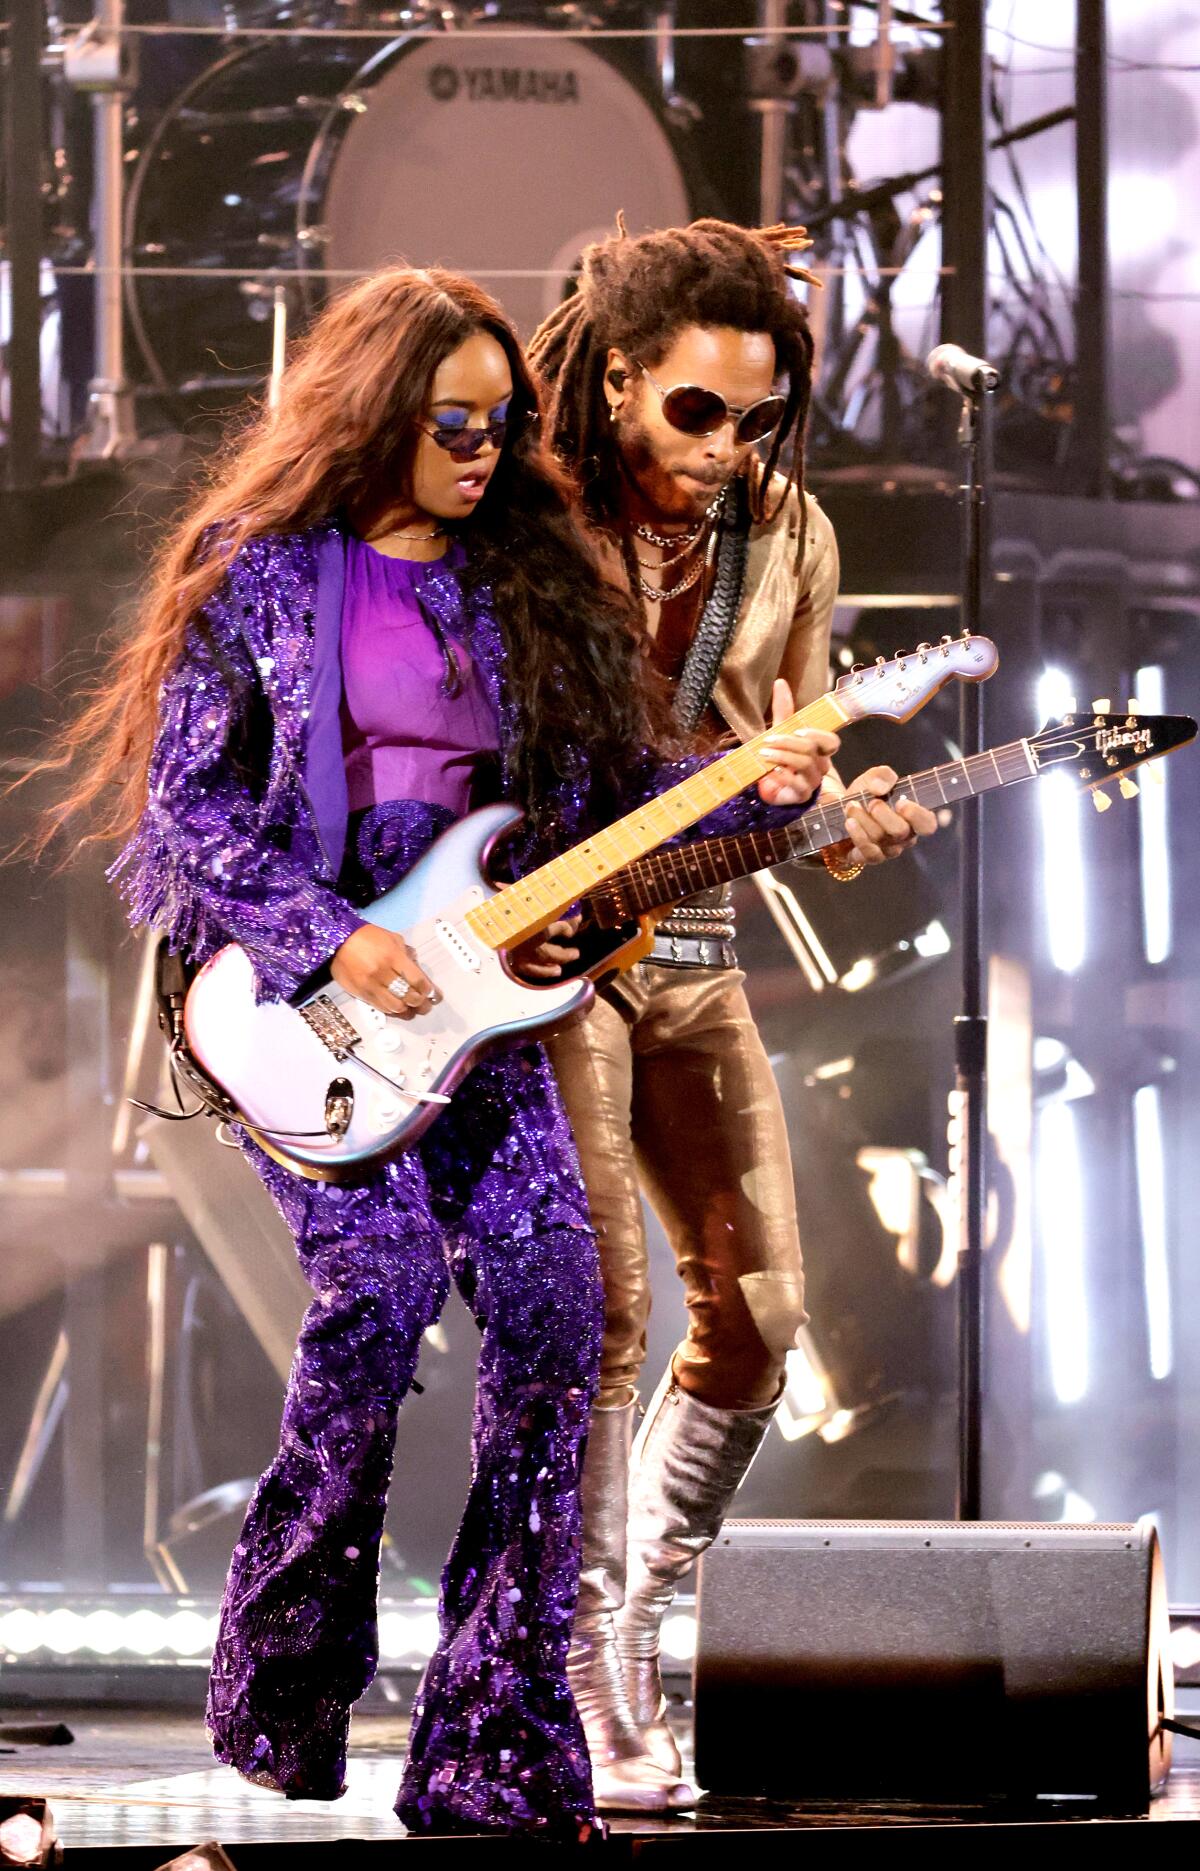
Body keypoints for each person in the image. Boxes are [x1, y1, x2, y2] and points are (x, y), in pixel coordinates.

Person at [41, 265, 833, 1837]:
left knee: (560, 1318)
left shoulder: (531, 586)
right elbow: (192, 819)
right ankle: (288, 1664)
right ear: (375, 417)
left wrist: (753, 805)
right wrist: (339, 939)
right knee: (384, 1292)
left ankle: (495, 1738)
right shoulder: (262, 578)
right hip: (302, 1004)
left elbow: (595, 820)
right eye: (452, 423)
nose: (484, 449)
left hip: (482, 1018)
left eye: (500, 423)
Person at [528, 218, 939, 1809]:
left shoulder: (791, 538)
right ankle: (585, 1676)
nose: (729, 447)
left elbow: (796, 773)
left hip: (695, 944)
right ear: (621, 376)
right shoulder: (531, 522)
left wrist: (850, 819)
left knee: (760, 1316)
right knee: (606, 1323)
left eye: (760, 418)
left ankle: (640, 1607)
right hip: (548, 953)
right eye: (698, 412)